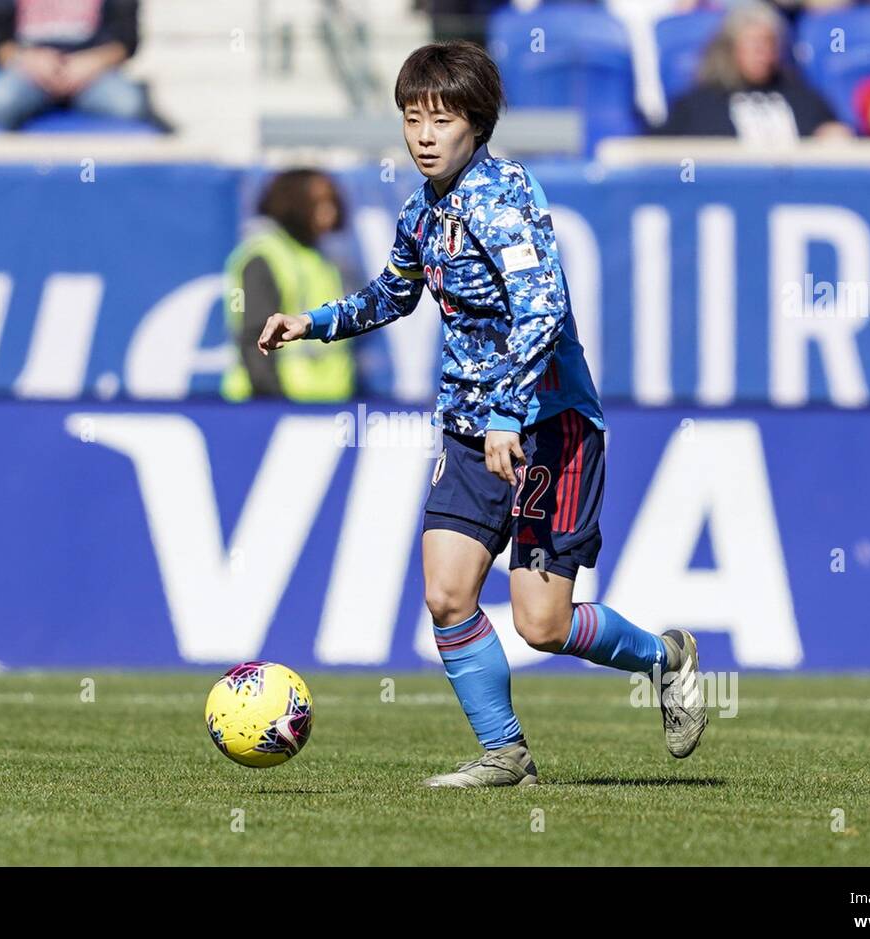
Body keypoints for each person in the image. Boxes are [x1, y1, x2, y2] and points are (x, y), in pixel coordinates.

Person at [258, 41, 708, 788]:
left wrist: (507, 411)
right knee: (446, 593)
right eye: (412, 118)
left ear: (479, 123)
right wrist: (315, 322)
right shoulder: (422, 211)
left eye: (442, 119)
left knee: (543, 624)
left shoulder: (502, 200)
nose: (424, 135)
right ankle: (507, 753)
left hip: (547, 429)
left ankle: (668, 658)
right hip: (473, 431)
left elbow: (542, 308)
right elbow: (394, 294)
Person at [222, 170, 355, 402]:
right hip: (277, 405)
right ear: (292, 203)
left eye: (331, 202)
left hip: (325, 404)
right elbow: (256, 340)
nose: (329, 212)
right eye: (318, 203)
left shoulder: (322, 260)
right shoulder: (264, 256)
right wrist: (274, 405)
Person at [656, 1, 851, 142]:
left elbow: (832, 132)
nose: (762, 54)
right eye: (753, 45)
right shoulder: (699, 105)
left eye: (768, 44)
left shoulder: (801, 98)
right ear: (731, 48)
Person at [0, 0, 151, 129]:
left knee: (129, 105)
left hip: (92, 74)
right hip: (29, 72)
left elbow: (126, 43)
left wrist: (91, 63)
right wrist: (29, 60)